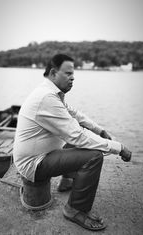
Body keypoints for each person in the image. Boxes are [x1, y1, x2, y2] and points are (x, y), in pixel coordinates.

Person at [13, 54, 132, 231]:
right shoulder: (46, 97)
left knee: (81, 140)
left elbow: (75, 114)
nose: (73, 77)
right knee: (93, 156)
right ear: (53, 73)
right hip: (33, 164)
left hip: (42, 155)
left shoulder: (50, 93)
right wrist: (118, 147)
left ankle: (67, 181)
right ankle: (76, 210)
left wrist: (99, 130)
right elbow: (78, 136)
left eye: (73, 74)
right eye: (68, 73)